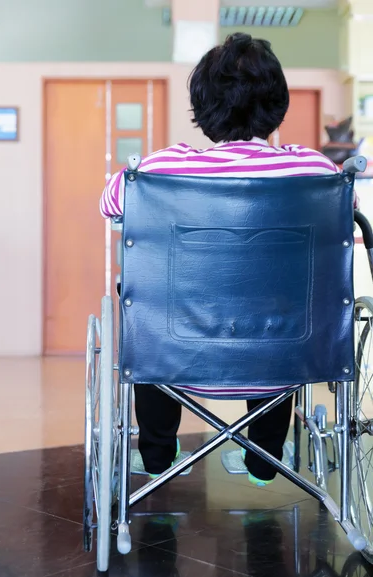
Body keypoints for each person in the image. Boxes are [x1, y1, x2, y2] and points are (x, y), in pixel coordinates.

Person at [100, 33, 352, 486]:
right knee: (281, 301)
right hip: (285, 357)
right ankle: (265, 457)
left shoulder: (160, 170)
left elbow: (109, 204)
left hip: (179, 357)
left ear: (201, 107)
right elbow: (346, 217)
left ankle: (157, 452)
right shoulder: (313, 172)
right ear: (278, 104)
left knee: (147, 300)